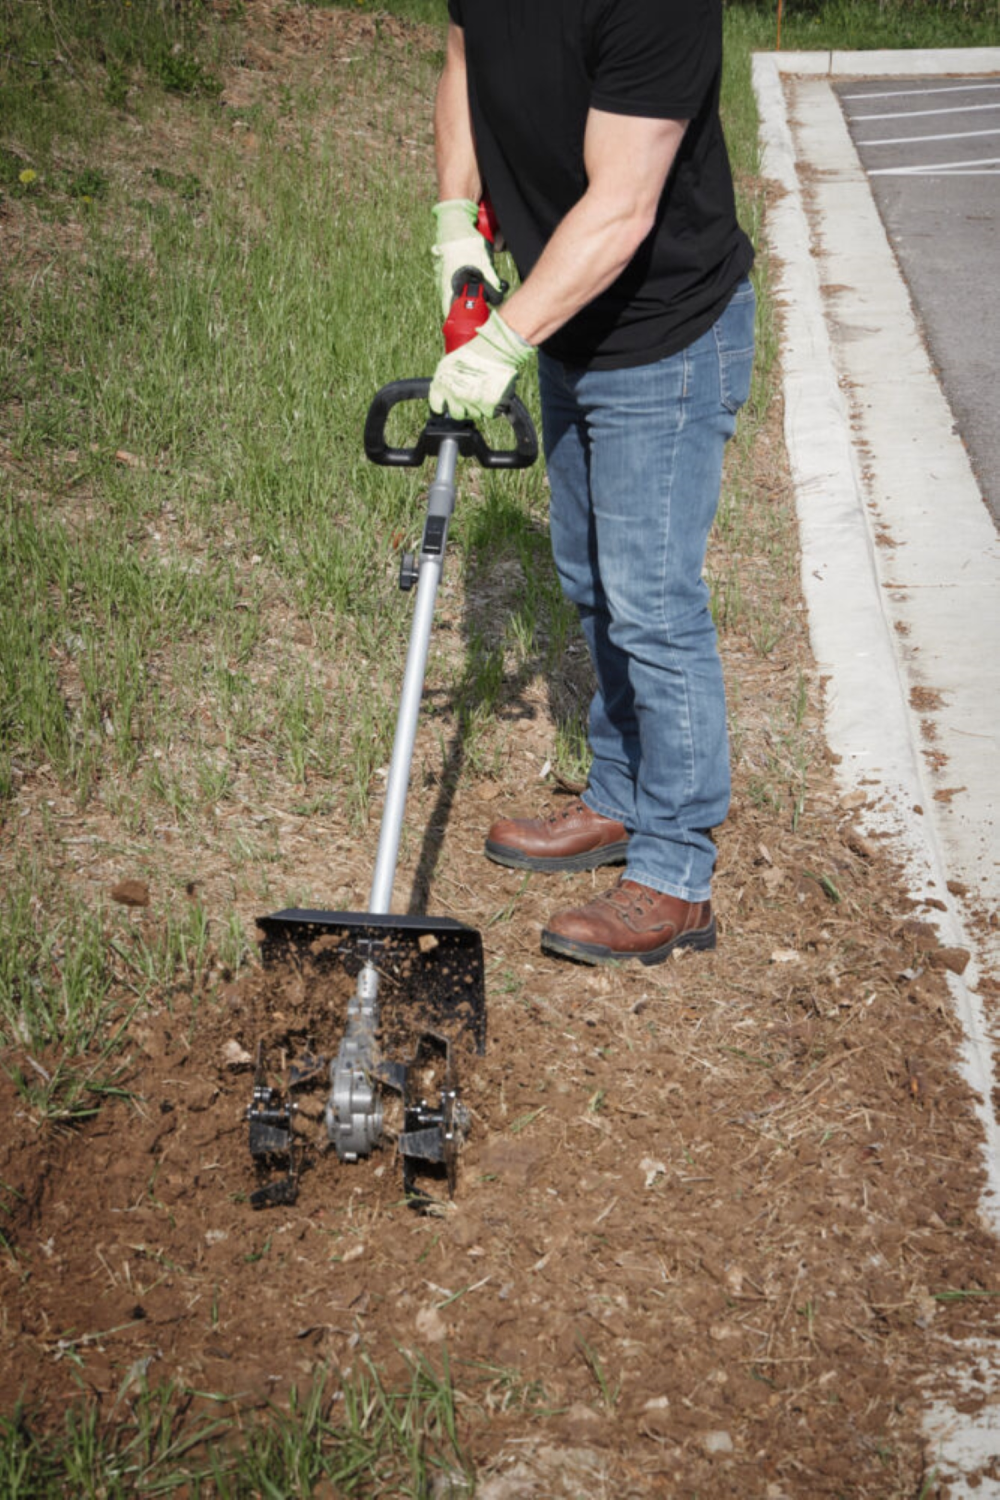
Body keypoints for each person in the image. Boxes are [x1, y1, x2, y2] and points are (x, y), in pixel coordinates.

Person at [429, 0, 755, 967]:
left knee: (652, 604)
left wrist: (502, 341)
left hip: (667, 330)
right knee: (590, 583)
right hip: (567, 315)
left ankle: (676, 871)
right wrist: (456, 215)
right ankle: (619, 796)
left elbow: (620, 208)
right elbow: (461, 51)